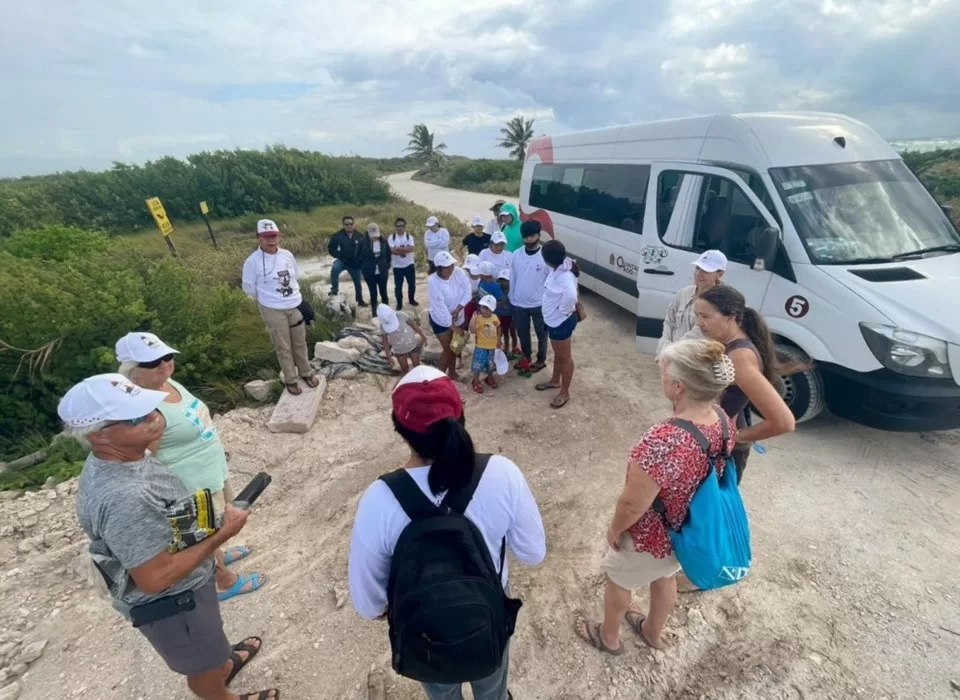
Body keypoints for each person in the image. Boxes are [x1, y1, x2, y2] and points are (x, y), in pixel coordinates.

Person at [61, 374, 277, 700]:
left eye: (149, 407)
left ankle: (221, 664)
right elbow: (154, 578)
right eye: (136, 417)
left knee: (210, 646)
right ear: (98, 435)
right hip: (174, 602)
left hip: (189, 583)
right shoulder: (125, 496)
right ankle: (219, 690)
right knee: (199, 665)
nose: (153, 417)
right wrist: (223, 534)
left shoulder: (125, 455)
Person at [348, 366, 546, 700]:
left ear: (400, 428)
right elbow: (533, 553)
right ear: (460, 417)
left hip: (425, 626)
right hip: (487, 606)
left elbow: (368, 605)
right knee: (492, 680)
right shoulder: (502, 473)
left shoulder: (378, 500)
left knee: (439, 687)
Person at [575, 340, 737, 657]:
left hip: (652, 535)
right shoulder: (721, 419)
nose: (661, 376)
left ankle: (608, 637)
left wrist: (615, 529)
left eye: (664, 372)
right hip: (687, 529)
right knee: (665, 577)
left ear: (678, 386)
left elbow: (633, 504)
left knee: (619, 581)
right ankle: (652, 631)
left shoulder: (663, 439)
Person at [115, 332, 264, 603]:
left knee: (219, 523)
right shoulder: (142, 408)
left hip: (210, 472)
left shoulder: (167, 382)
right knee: (202, 535)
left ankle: (219, 554)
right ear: (131, 371)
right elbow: (146, 458)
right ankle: (222, 580)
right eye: (152, 362)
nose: (164, 364)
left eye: (167, 356)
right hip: (189, 484)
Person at [694, 285, 796, 482]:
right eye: (697, 316)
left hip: (724, 456)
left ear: (731, 317)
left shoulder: (739, 357)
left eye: (706, 317)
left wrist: (733, 438)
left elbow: (783, 422)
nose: (699, 323)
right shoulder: (727, 344)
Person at [242, 218, 322, 395]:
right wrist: (270, 298)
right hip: (272, 309)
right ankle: (291, 379)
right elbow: (248, 288)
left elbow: (295, 277)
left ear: (278, 237)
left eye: (274, 236)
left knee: (300, 342)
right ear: (259, 238)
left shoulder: (286, 255)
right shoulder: (252, 261)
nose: (271, 240)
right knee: (283, 346)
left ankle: (306, 372)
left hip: (294, 305)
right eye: (266, 237)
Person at [656, 250, 727, 358]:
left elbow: (696, 336)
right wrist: (663, 349)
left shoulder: (720, 302)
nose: (699, 274)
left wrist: (670, 354)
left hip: (693, 361)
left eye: (706, 271)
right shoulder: (684, 293)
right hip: (671, 356)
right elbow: (669, 322)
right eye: (697, 268)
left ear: (720, 274)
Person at [536, 240, 580, 409]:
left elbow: (571, 296)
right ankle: (555, 381)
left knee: (565, 357)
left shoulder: (564, 276)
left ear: (548, 260)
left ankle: (565, 392)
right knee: (558, 354)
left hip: (560, 322)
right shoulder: (561, 267)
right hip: (555, 320)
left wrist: (562, 312)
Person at [508, 220, 550, 377]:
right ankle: (526, 358)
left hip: (540, 304)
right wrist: (512, 299)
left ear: (539, 235)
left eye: (533, 236)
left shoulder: (545, 255)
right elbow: (513, 278)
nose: (530, 240)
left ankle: (541, 359)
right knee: (523, 334)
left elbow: (550, 281)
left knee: (542, 334)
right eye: (526, 237)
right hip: (519, 303)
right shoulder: (516, 255)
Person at [427, 251, 472, 380]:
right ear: (439, 268)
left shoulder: (458, 272)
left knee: (455, 348)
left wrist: (458, 308)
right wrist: (453, 327)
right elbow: (440, 308)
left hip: (458, 315)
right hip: (441, 320)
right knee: (447, 350)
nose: (451, 268)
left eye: (452, 265)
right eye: (448, 267)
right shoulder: (433, 282)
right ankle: (438, 379)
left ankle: (452, 374)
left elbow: (467, 291)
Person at [328, 214, 367, 306]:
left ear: (354, 224)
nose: (349, 226)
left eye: (351, 224)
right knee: (335, 268)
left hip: (355, 263)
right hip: (342, 261)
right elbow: (331, 248)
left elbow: (364, 250)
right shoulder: (337, 235)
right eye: (346, 224)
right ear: (343, 225)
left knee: (358, 282)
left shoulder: (360, 236)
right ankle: (334, 290)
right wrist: (338, 255)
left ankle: (360, 300)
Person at [378, 303, 427, 376]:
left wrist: (423, 336)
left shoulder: (402, 315)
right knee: (404, 370)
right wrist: (389, 356)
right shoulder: (383, 326)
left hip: (412, 346)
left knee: (417, 366)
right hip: (399, 351)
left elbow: (414, 326)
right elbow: (385, 342)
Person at [469, 295, 502, 394]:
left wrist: (499, 339)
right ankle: (475, 381)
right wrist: (473, 319)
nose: (484, 310)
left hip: (492, 347)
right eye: (483, 307)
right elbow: (472, 330)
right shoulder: (478, 318)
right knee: (478, 364)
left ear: (492, 309)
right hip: (481, 347)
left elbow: (498, 327)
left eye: (487, 308)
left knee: (490, 364)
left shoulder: (494, 317)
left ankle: (489, 377)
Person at [388, 217, 418, 310]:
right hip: (397, 266)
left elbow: (412, 249)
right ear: (395, 227)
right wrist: (405, 250)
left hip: (409, 265)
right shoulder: (392, 237)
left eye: (402, 226)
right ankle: (399, 303)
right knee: (398, 286)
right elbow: (391, 250)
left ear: (405, 227)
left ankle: (411, 299)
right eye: (398, 225)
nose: (400, 227)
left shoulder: (409, 237)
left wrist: (398, 249)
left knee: (412, 284)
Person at [360, 223, 392, 309]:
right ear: (368, 233)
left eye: (376, 235)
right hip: (369, 273)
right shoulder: (362, 242)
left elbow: (388, 254)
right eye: (372, 235)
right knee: (373, 295)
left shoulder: (383, 241)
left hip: (382, 272)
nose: (374, 237)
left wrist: (386, 265)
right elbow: (358, 257)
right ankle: (374, 314)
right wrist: (364, 269)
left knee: (384, 294)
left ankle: (387, 314)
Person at [496, 270, 520, 358]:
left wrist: (514, 318)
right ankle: (506, 349)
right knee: (505, 333)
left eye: (505, 280)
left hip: (511, 316)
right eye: (501, 280)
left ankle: (514, 348)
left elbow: (515, 306)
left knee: (513, 333)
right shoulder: (498, 290)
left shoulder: (513, 291)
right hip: (502, 316)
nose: (503, 282)